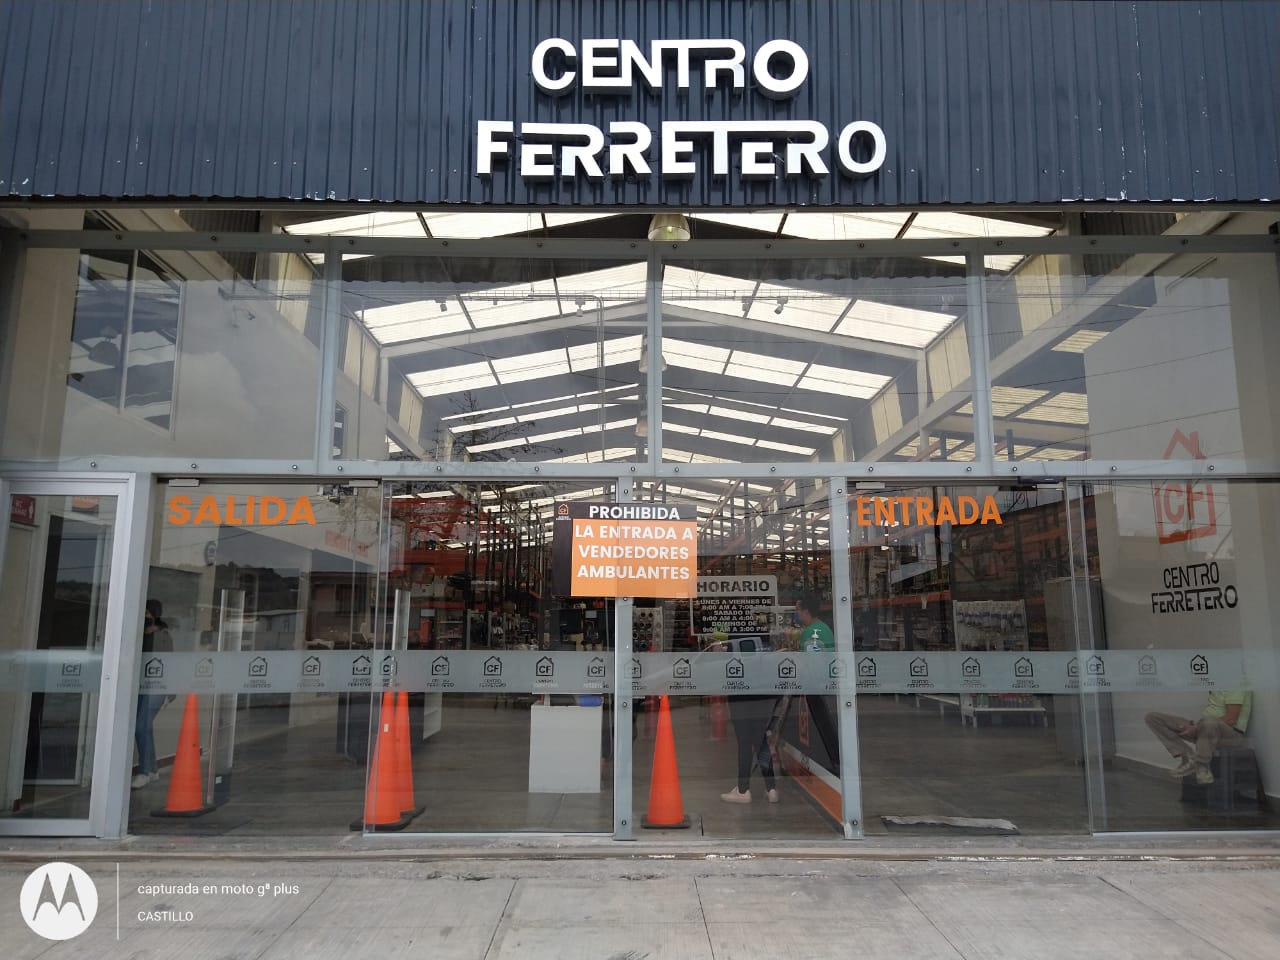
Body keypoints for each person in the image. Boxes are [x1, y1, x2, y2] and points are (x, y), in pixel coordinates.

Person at [1145, 689, 1252, 785]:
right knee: (1153, 718)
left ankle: (1201, 765)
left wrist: (1196, 728)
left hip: (1230, 736)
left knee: (1209, 722)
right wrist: (1196, 727)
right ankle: (1188, 756)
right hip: (1204, 729)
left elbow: (1231, 719)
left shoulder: (1235, 686)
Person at [132, 599, 173, 789]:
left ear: (155, 615)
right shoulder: (136, 633)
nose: (145, 617)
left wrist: (170, 692)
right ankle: (153, 770)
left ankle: (145, 771)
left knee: (141, 726)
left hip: (157, 687)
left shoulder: (163, 636)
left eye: (148, 613)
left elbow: (170, 663)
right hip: (138, 686)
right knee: (144, 727)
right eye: (144, 613)